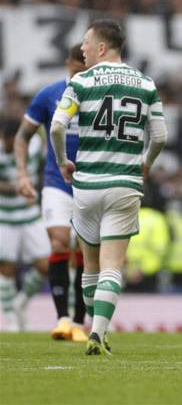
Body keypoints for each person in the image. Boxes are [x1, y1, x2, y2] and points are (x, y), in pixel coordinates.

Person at [50, 19, 167, 355]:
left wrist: (62, 161)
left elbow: (58, 127)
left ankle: (93, 327)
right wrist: (146, 162)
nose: (82, 49)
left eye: (86, 43)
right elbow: (159, 136)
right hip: (125, 183)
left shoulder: (80, 81)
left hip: (87, 183)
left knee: (90, 265)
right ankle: (98, 332)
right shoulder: (145, 83)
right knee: (113, 265)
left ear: (102, 47)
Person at [14, 44, 88, 341]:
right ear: (68, 63)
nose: (81, 73)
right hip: (57, 181)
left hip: (91, 182)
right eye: (77, 67)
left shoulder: (100, 96)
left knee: (85, 251)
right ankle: (62, 319)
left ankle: (80, 324)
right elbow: (22, 136)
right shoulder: (49, 95)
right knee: (59, 243)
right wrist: (22, 174)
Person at [0, 117, 49, 332]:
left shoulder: (35, 145)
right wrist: (17, 187)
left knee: (46, 265)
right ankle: (12, 319)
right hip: (6, 217)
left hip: (30, 215)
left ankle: (21, 301)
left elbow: (42, 165)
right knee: (8, 269)